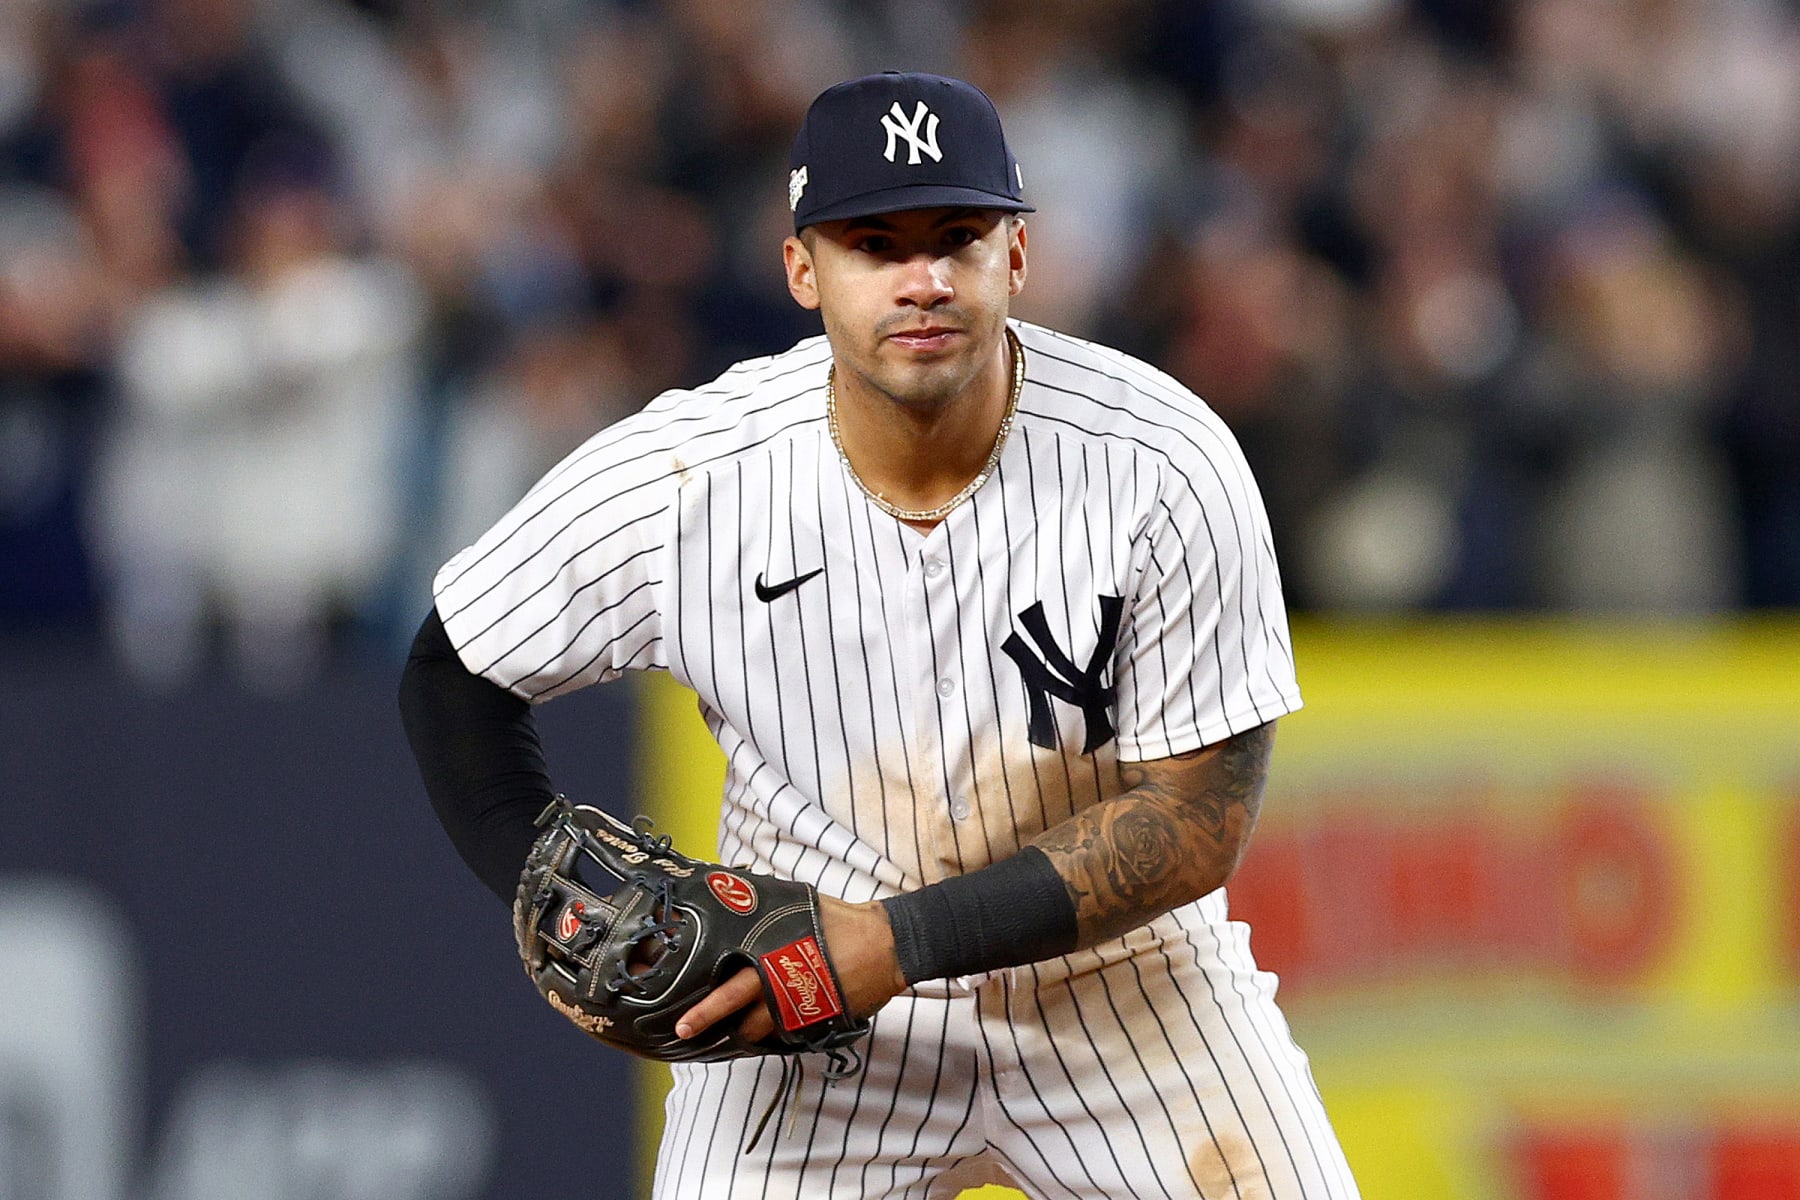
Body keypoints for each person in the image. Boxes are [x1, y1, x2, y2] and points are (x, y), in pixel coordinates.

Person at [400, 71, 1360, 1199]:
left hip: (1129, 997)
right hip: (803, 1016)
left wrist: (898, 940)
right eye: (875, 243)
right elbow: (451, 669)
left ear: (1018, 255)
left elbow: (1197, 822)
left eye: (957, 236)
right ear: (804, 268)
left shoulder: (1162, 462)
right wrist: (551, 888)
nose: (923, 280)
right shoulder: (690, 476)